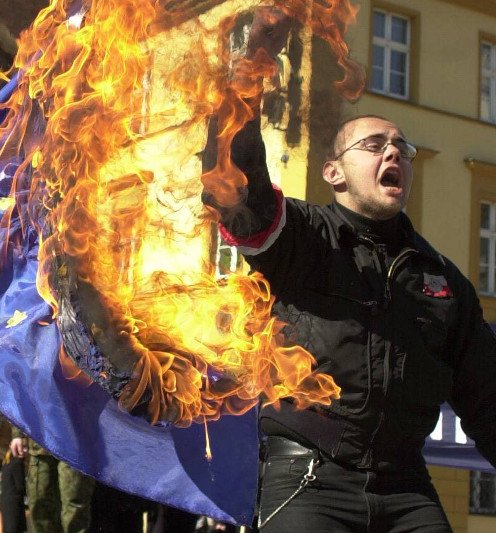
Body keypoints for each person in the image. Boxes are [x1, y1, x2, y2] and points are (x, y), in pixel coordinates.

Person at [202, 7, 496, 532]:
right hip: (308, 478)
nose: (394, 154)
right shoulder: (302, 236)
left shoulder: (444, 282)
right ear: (332, 173)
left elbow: (488, 398)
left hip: (407, 487)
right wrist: (252, 67)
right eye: (374, 145)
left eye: (402, 148)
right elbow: (233, 181)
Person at [9, 429, 94, 533]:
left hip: (75, 443)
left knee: (74, 504)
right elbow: (24, 411)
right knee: (39, 502)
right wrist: (18, 434)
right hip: (41, 441)